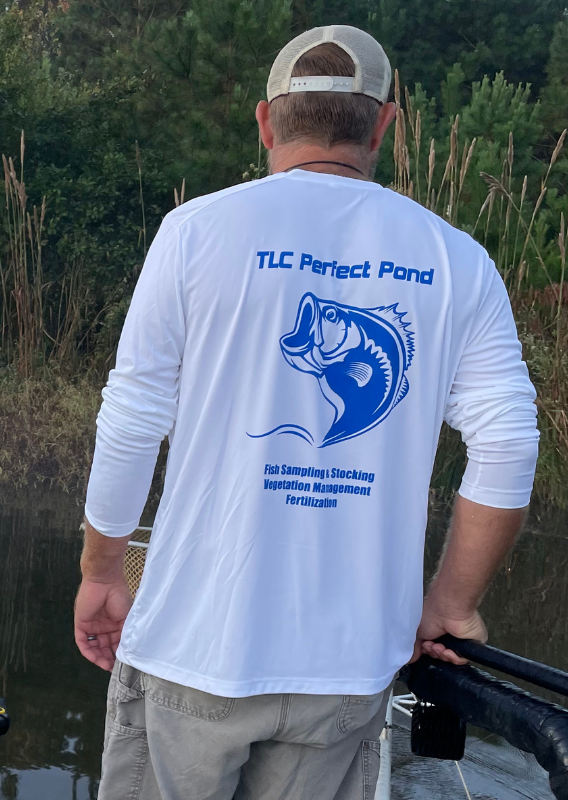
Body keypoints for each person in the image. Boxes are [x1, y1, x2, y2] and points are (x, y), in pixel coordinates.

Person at [74, 24, 539, 800]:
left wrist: (100, 570)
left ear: (265, 120)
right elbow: (510, 446)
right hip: (347, 671)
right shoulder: (458, 259)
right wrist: (449, 604)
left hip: (195, 648)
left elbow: (131, 420)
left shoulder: (194, 232)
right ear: (384, 124)